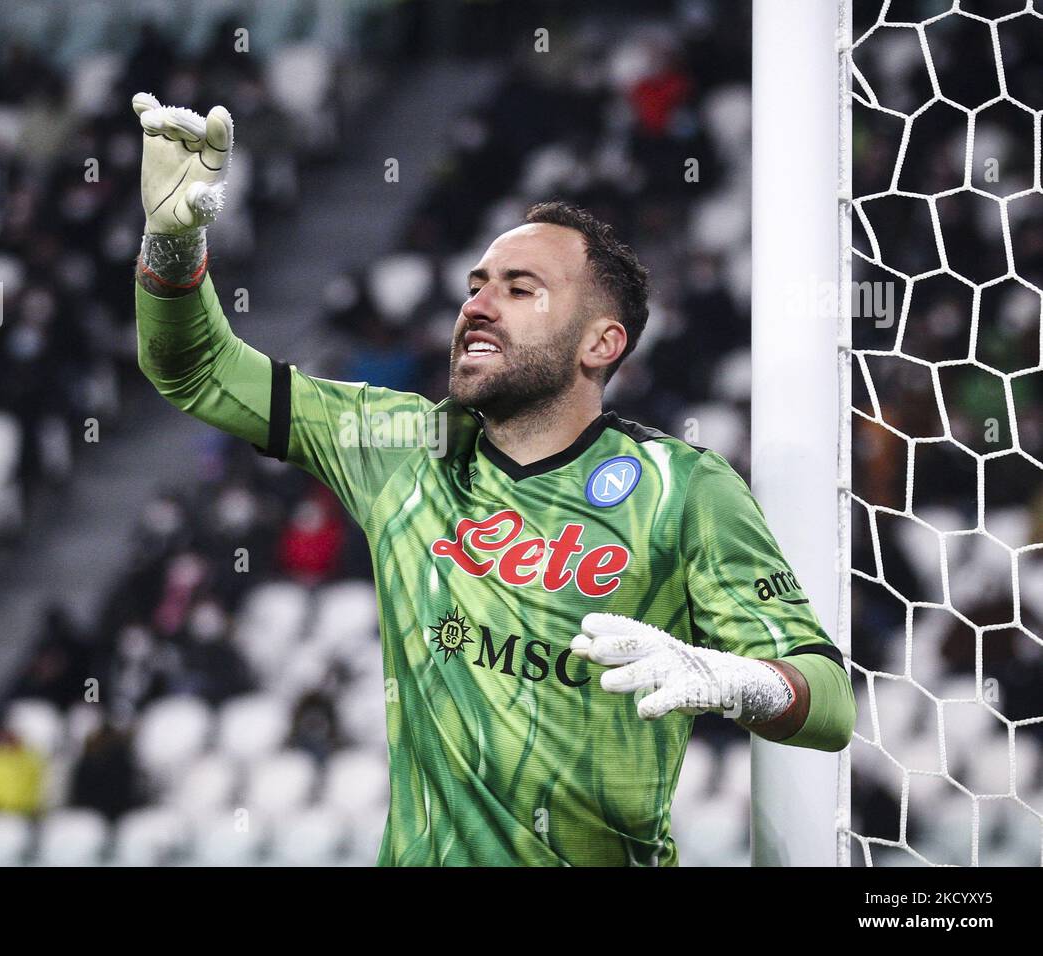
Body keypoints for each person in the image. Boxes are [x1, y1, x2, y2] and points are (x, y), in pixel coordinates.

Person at [129, 94, 855, 866]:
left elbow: (830, 702)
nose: (478, 304)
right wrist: (174, 243)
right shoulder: (401, 446)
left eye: (520, 288)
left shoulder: (682, 490)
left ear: (601, 343)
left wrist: (731, 677)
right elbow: (197, 368)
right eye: (477, 284)